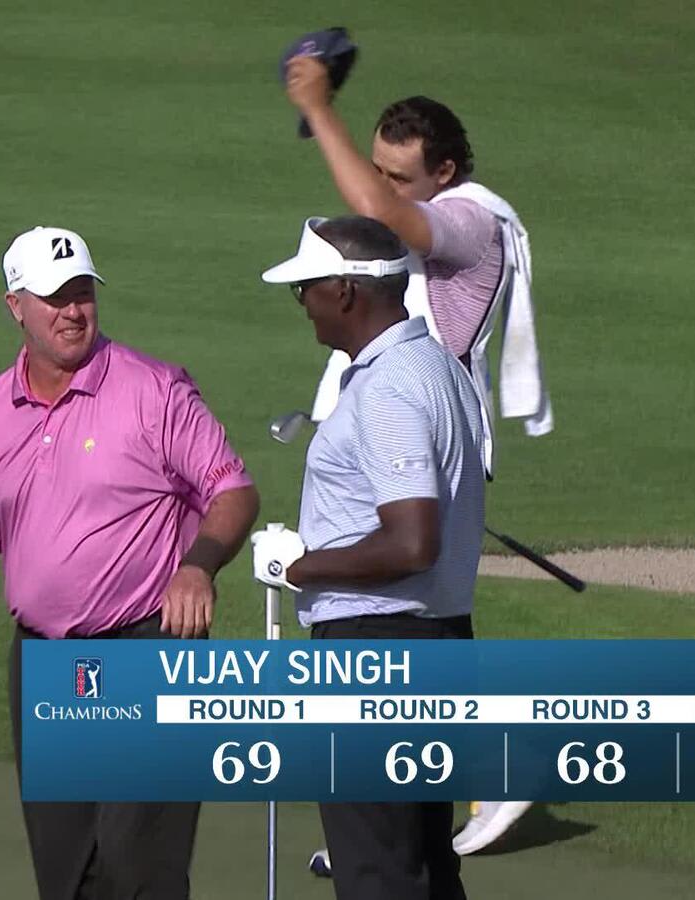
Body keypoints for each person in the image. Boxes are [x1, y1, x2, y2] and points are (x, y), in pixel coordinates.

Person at [0, 225, 259, 900]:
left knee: (140, 867)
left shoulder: (155, 390)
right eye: (55, 295)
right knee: (70, 877)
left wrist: (198, 564)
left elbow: (232, 491)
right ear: (15, 306)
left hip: (150, 651)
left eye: (83, 291)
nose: (73, 309)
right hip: (50, 666)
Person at [283, 53, 544, 857]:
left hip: (416, 438)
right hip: (407, 433)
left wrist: (316, 106)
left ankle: (476, 776)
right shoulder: (429, 231)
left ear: (446, 171)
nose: (384, 188)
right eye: (378, 169)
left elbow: (377, 224)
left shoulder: (468, 221)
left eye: (400, 176)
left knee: (403, 617)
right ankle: (392, 822)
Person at [251, 215, 486, 900]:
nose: (304, 305)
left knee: (377, 869)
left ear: (347, 292)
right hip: (438, 644)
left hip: (377, 653)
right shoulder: (440, 367)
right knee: (424, 862)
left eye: (307, 290)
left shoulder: (387, 386)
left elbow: (412, 541)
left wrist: (300, 566)